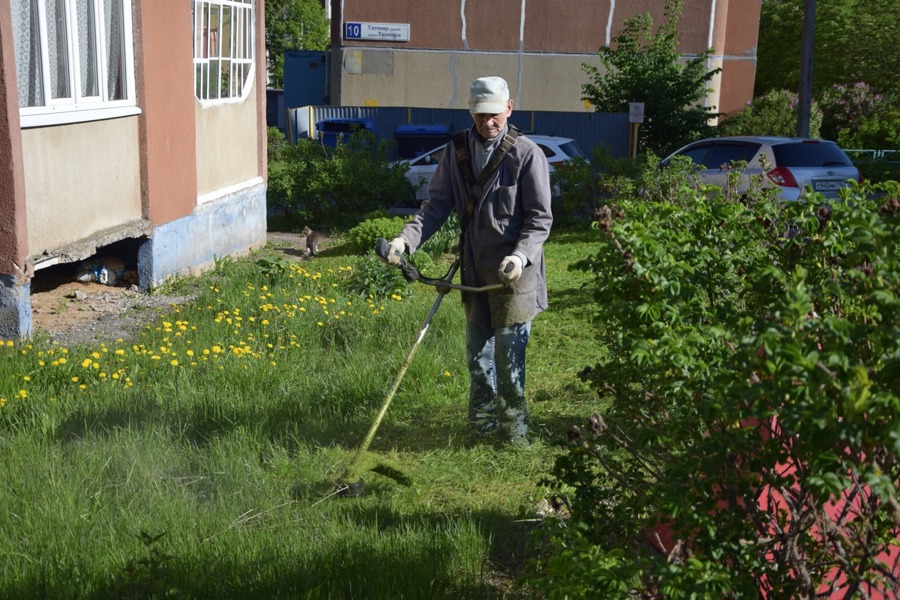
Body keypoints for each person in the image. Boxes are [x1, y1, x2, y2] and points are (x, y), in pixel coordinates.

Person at [381, 76, 553, 446]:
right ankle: (481, 427)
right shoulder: (456, 151)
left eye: (494, 114)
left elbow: (540, 219)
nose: (487, 123)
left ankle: (515, 432)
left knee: (509, 359)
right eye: (479, 115)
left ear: (509, 108)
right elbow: (435, 207)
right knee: (479, 357)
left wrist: (521, 256)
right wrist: (404, 242)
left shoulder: (527, 154)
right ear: (470, 112)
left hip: (514, 278)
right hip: (476, 273)